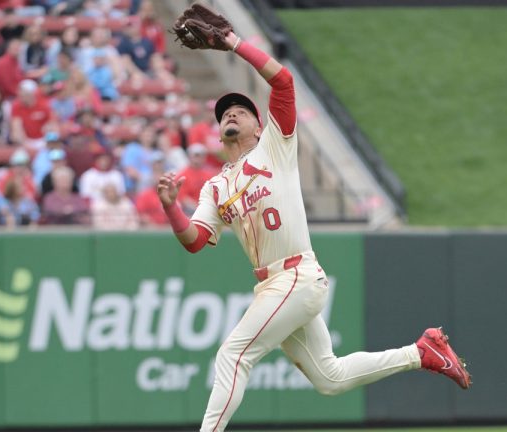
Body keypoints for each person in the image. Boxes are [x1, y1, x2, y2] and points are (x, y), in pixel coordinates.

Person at [156, 19, 471, 432]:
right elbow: (195, 241)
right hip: (274, 285)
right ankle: (422, 352)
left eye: (240, 111)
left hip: (296, 275)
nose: (230, 115)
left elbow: (283, 82)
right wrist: (170, 209)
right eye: (223, 114)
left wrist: (233, 43)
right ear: (218, 133)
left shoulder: (275, 146)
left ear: (257, 125)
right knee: (330, 378)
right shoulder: (214, 188)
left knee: (233, 355)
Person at [176, 143, 216, 215]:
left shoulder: (209, 174)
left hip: (207, 209)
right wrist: (200, 209)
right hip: (191, 211)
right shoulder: (182, 176)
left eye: (202, 156)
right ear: (189, 157)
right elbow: (183, 199)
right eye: (196, 156)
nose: (199, 158)